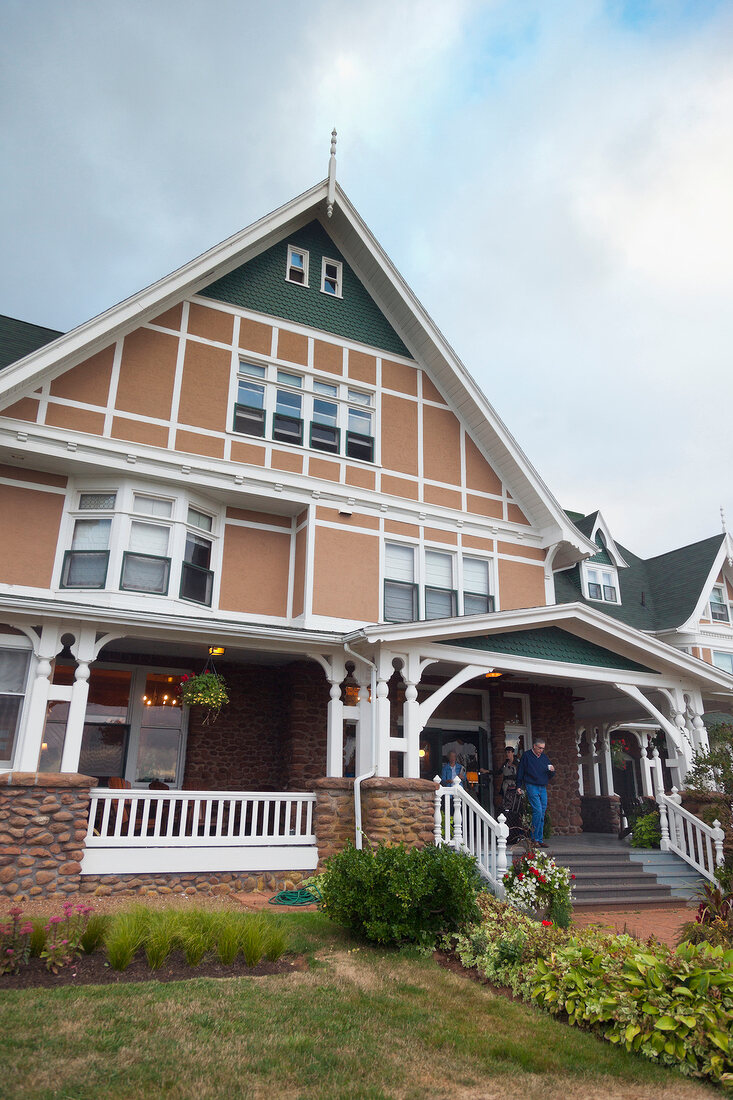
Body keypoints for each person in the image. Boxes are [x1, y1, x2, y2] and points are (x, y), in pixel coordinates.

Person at [516, 738, 555, 847]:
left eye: (543, 748)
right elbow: (521, 771)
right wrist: (518, 785)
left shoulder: (544, 758)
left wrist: (552, 771)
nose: (541, 750)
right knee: (537, 811)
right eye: (539, 748)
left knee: (542, 813)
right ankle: (534, 839)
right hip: (531, 785)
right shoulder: (527, 756)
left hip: (542, 787)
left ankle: (539, 839)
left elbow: (550, 774)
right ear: (534, 746)